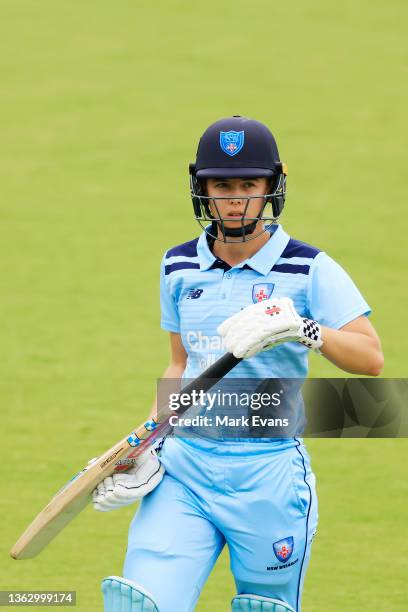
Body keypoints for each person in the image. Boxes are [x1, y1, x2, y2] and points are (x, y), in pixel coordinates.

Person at [94, 116, 384, 612]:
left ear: (271, 188)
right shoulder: (177, 265)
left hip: (269, 476)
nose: (234, 198)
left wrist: (305, 330)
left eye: (248, 184)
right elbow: (179, 363)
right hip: (184, 468)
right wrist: (149, 440)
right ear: (200, 189)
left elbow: (371, 359)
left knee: (262, 608)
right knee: (140, 603)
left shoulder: (309, 267)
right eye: (221, 184)